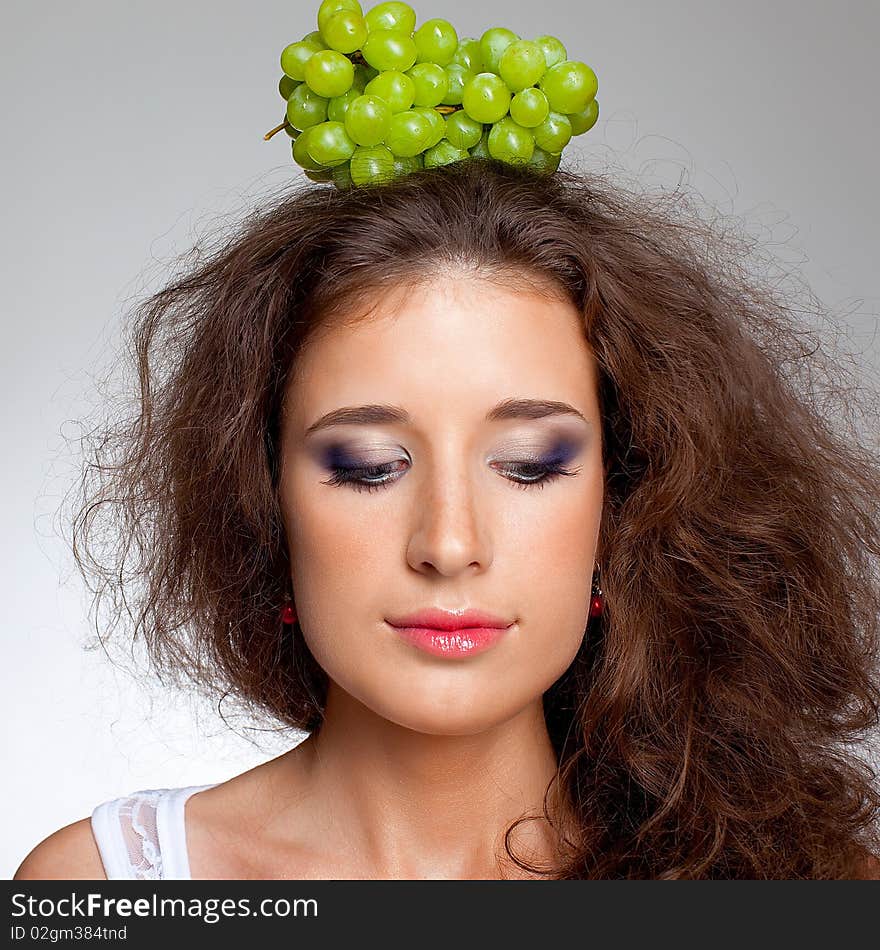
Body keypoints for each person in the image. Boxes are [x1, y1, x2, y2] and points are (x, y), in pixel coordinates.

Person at [14, 158, 880, 879]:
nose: (450, 544)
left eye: (530, 465)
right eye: (367, 468)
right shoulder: (109, 890)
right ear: (262, 503)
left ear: (627, 508)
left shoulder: (812, 882)